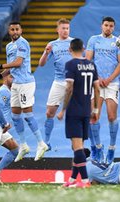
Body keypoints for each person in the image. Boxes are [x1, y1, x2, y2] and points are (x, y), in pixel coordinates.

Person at [0, 22, 48, 162]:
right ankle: (23, 145)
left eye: (17, 29)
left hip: (25, 83)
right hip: (15, 83)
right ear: (9, 31)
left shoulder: (23, 43)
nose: (15, 31)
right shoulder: (9, 46)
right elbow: (12, 67)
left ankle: (41, 144)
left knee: (27, 114)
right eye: (12, 29)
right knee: (15, 116)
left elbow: (18, 63)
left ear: (21, 30)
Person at [57, 38, 100, 188]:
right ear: (83, 49)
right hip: (86, 110)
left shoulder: (70, 64)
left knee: (77, 147)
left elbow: (69, 88)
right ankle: (73, 179)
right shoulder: (91, 65)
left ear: (70, 49)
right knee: (77, 146)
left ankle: (85, 180)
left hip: (74, 110)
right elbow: (97, 88)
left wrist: (63, 109)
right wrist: (95, 109)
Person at [85, 16, 120, 164]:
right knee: (93, 116)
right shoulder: (93, 40)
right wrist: (97, 77)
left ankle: (112, 149)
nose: (108, 28)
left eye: (111, 26)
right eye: (106, 25)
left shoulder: (119, 42)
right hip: (96, 82)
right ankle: (98, 147)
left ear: (113, 28)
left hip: (112, 83)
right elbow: (88, 60)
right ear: (102, 26)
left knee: (111, 116)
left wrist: (108, 79)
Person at [38, 18, 73, 150]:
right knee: (49, 113)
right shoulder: (52, 44)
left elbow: (83, 59)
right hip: (58, 82)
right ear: (57, 30)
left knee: (75, 113)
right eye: (63, 28)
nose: (65, 30)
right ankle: (46, 142)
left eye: (67, 28)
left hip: (73, 82)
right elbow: (41, 64)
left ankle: (75, 143)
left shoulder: (74, 42)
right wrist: (46, 53)